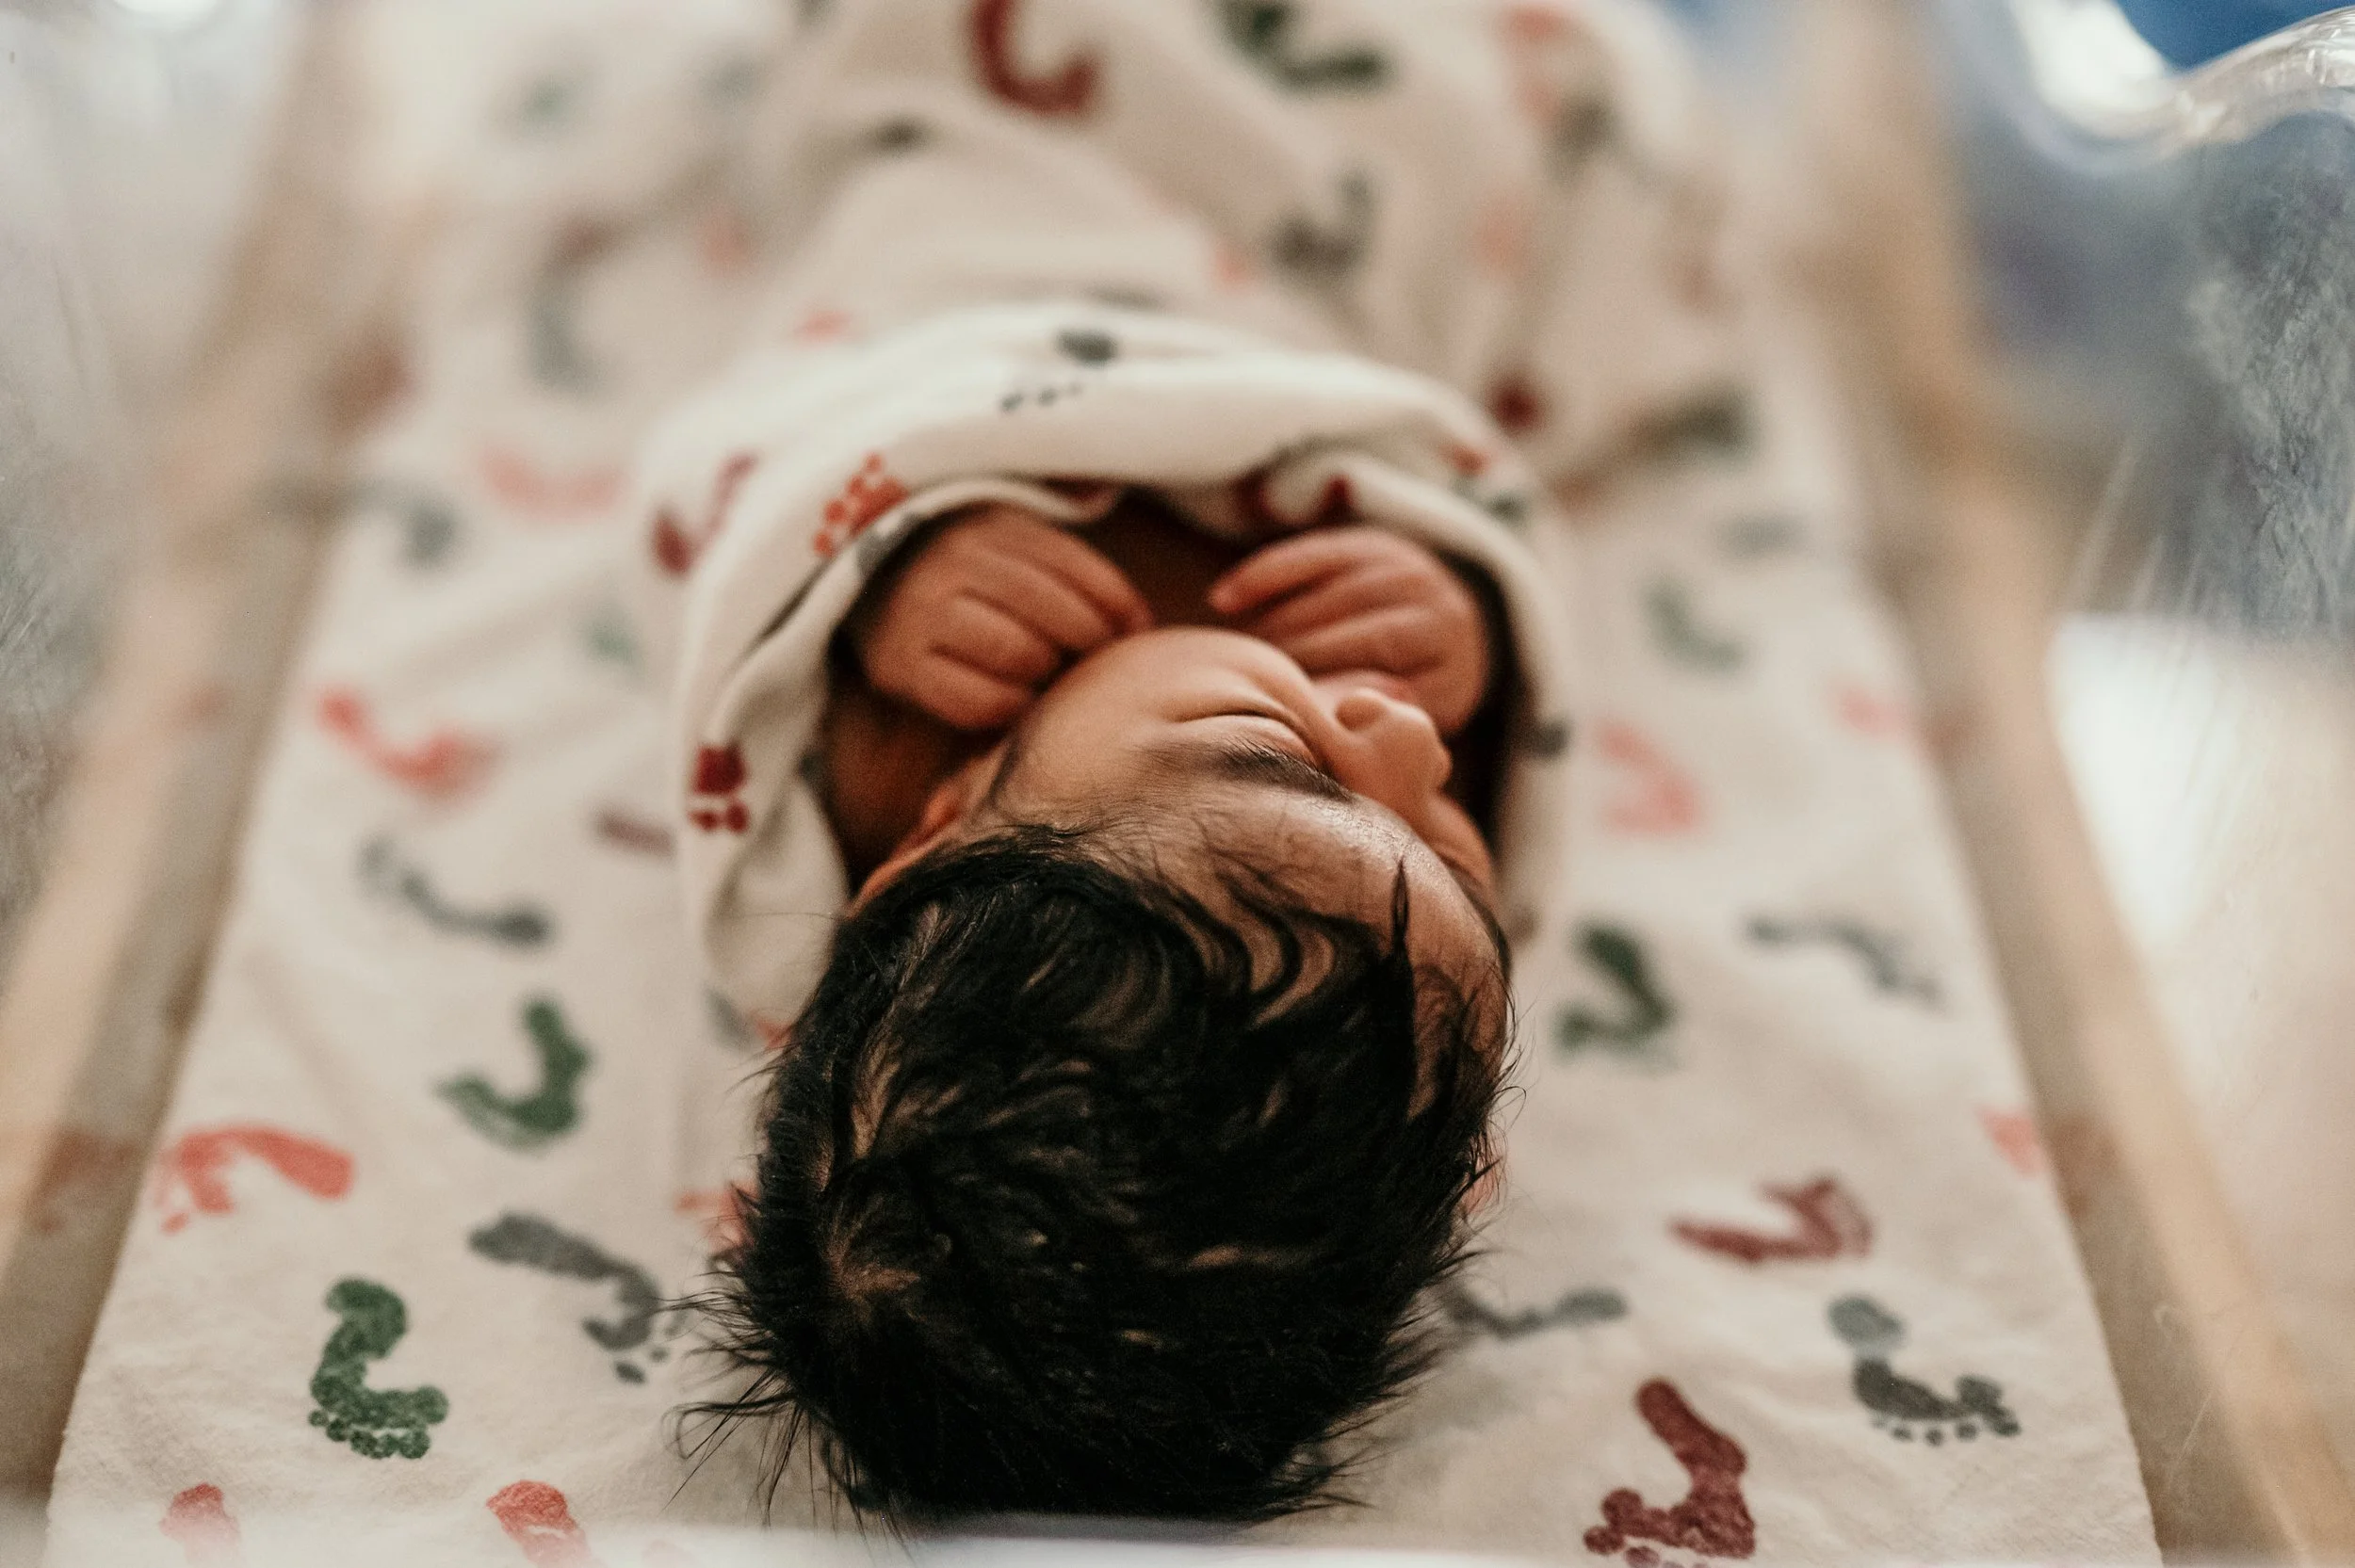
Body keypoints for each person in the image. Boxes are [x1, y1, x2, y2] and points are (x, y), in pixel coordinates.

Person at [634, 0, 1736, 1523]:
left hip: (1020, 181)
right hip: (1353, 266)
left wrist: (877, 553)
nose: (1409, 739)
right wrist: (1468, 609)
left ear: (941, 826)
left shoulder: (865, 746)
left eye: (1275, 747)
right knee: (1618, 214)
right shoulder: (1364, 963)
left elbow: (716, 495)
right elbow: (1503, 689)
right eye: (1462, 847)